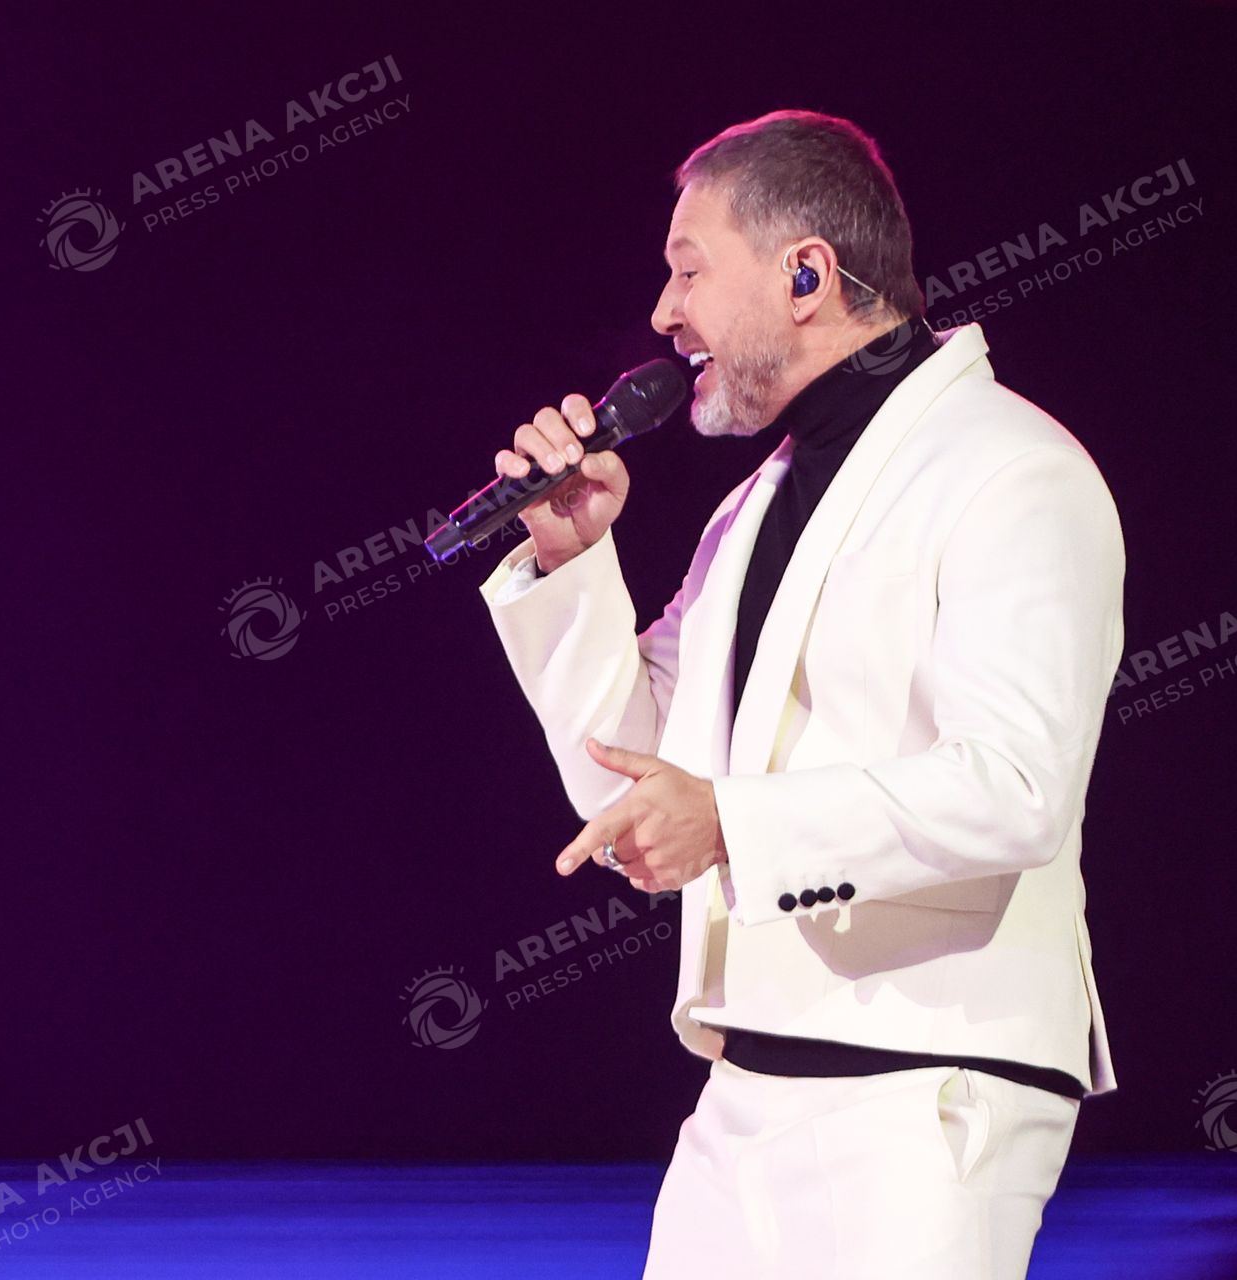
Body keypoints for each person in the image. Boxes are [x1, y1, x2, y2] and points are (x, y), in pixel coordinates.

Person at [477, 110, 1124, 1280]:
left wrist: (732, 822)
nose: (663, 313)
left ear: (807, 274)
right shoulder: (756, 505)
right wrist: (575, 562)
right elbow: (631, 779)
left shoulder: (1012, 468)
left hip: (929, 1086)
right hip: (745, 1087)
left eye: (688, 270)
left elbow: (1016, 786)